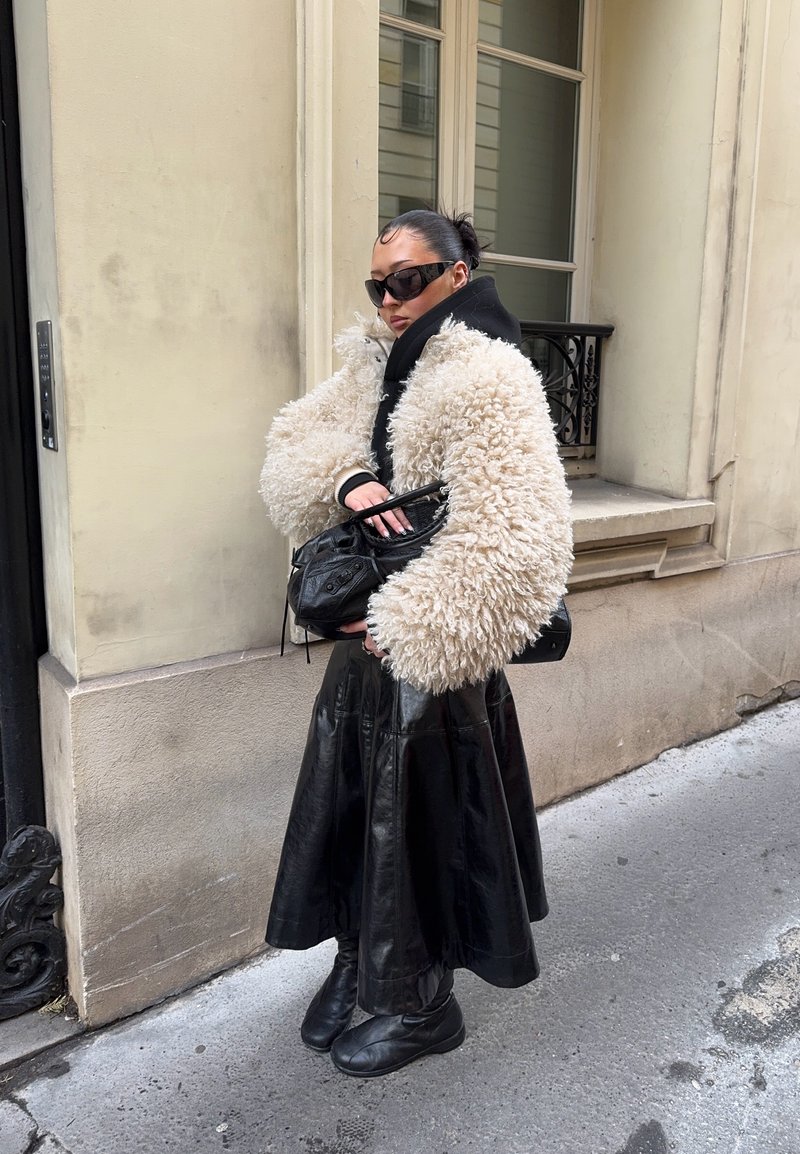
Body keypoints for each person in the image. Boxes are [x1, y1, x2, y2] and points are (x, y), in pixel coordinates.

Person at [259, 208, 572, 1078]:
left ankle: (420, 1002)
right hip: (368, 658)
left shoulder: (491, 376)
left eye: (407, 280)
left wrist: (399, 628)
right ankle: (360, 964)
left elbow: (520, 543)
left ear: (456, 276)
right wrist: (350, 478)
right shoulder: (370, 364)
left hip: (431, 658)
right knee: (358, 821)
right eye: (378, 283)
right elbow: (292, 443)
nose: (391, 300)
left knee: (417, 838)